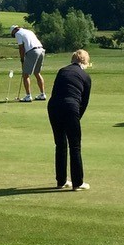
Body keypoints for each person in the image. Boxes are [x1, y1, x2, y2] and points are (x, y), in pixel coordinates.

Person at [48, 49, 92, 191]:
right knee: (75, 145)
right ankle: (77, 183)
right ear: (85, 62)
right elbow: (84, 103)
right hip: (70, 107)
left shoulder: (62, 71)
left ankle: (61, 181)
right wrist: (76, 118)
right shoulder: (85, 76)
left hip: (53, 107)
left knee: (60, 144)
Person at [10, 25, 46, 102]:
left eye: (13, 34)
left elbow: (21, 47)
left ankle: (28, 96)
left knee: (25, 75)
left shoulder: (18, 33)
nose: (14, 36)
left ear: (14, 31)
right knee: (37, 73)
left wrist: (22, 59)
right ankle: (42, 94)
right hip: (41, 50)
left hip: (32, 52)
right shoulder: (28, 31)